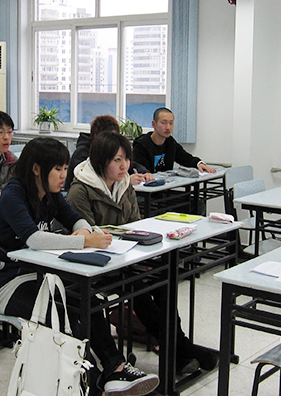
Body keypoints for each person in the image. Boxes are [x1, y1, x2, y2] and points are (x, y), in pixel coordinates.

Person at [0, 136, 159, 396]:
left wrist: (86, 229)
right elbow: (34, 239)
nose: (64, 176)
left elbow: (75, 217)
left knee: (90, 301)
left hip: (39, 276)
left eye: (65, 168)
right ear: (37, 169)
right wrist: (85, 240)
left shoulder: (50, 195)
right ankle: (100, 386)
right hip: (5, 283)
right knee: (62, 314)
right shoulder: (13, 194)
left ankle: (114, 370)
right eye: (58, 170)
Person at [67, 131, 218, 375]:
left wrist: (142, 258)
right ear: (100, 160)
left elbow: (135, 225)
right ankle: (181, 350)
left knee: (161, 282)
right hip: (94, 266)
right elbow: (88, 238)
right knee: (140, 291)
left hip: (124, 260)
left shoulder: (124, 184)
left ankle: (178, 349)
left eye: (126, 158)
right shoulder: (80, 191)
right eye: (117, 159)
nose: (124, 165)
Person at [65, 114, 153, 189]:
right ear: (96, 137)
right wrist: (127, 181)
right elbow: (94, 179)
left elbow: (133, 165)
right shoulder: (82, 154)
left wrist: (145, 173)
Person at [132, 107, 216, 174]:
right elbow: (142, 172)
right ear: (154, 124)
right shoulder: (142, 145)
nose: (168, 127)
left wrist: (199, 163)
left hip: (165, 188)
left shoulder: (170, 142)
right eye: (163, 123)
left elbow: (184, 157)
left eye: (171, 123)